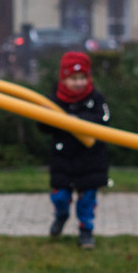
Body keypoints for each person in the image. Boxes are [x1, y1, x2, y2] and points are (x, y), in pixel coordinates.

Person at [40, 51, 110, 249]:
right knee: (60, 197)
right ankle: (61, 215)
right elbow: (42, 127)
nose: (79, 83)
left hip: (91, 160)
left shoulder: (96, 98)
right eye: (74, 78)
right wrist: (48, 117)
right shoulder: (53, 101)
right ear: (63, 79)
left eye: (82, 78)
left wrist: (79, 121)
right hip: (63, 160)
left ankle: (86, 231)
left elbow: (105, 120)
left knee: (87, 200)